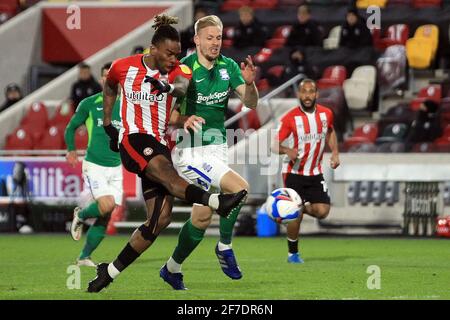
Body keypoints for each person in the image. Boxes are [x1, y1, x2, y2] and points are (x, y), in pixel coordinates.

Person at [87, 15, 247, 293]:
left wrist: (175, 104)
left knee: (159, 220)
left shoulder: (179, 72)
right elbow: (110, 85)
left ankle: (109, 271)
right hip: (134, 139)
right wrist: (107, 123)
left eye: (177, 54)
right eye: (170, 54)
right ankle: (215, 201)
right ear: (153, 49)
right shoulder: (123, 67)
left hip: (158, 144)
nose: (175, 59)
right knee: (171, 177)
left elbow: (181, 88)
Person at [160, 14, 259, 290]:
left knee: (202, 218)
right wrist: (184, 120)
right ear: (196, 40)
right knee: (239, 188)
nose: (215, 43)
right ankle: (225, 247)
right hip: (191, 152)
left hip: (217, 150)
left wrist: (250, 84)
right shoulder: (185, 70)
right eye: (210, 38)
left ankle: (171, 269)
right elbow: (169, 114)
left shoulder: (228, 67)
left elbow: (250, 103)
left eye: (218, 38)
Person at [271, 79, 340, 264]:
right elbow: (273, 145)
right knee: (296, 212)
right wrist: (287, 150)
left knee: (322, 211)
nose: (307, 95)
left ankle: (289, 210)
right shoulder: (289, 118)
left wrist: (334, 152)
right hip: (293, 173)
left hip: (315, 172)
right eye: (304, 92)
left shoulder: (326, 114)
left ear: (316, 94)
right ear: (298, 95)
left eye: (311, 92)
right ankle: (293, 254)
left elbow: (330, 132)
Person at [65, 62, 123, 267]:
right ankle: (80, 214)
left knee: (106, 215)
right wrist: (71, 149)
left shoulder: (127, 105)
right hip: (94, 164)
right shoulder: (89, 103)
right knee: (106, 204)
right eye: (105, 76)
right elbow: (70, 128)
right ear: (101, 79)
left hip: (116, 166)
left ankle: (84, 257)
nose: (108, 79)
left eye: (112, 75)